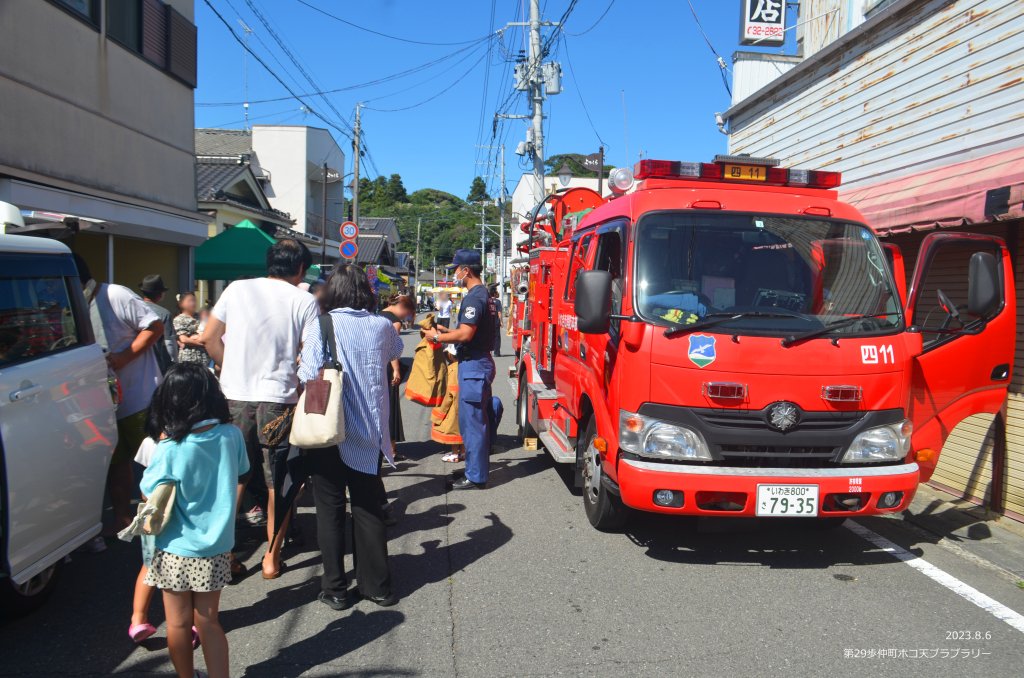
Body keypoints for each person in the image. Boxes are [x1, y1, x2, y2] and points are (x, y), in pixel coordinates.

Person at [200, 238, 318, 580]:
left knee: (234, 478)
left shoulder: (236, 289)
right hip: (278, 400)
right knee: (275, 482)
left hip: (234, 398)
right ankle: (271, 559)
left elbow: (210, 338)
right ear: (300, 269)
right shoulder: (304, 300)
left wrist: (229, 368)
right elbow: (310, 358)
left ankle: (222, 554)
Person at [298, 264, 402, 610]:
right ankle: (377, 586)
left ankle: (336, 588)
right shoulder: (381, 325)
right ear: (365, 292)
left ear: (332, 292)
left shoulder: (321, 325)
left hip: (328, 428)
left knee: (329, 510)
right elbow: (395, 351)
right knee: (368, 507)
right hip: (369, 431)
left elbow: (307, 372)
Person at [140, 364, 249, 678]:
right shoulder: (231, 435)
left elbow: (149, 493)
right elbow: (241, 471)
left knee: (177, 622)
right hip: (216, 546)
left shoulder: (170, 448)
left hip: (174, 546)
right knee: (209, 621)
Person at [74, 255, 164, 534]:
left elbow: (155, 326)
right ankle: (123, 520)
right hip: (100, 402)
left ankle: (158, 519)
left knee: (154, 463)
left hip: (139, 396)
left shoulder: (114, 294)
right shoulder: (72, 304)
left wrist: (125, 357)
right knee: (116, 463)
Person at [429, 250, 496, 490]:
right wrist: (446, 333)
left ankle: (476, 476)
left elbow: (466, 333)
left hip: (474, 364)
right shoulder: (482, 295)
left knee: (473, 425)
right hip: (478, 362)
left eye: (457, 268)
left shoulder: (474, 297)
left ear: (466, 270)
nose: (455, 272)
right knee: (473, 422)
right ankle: (473, 469)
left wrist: (437, 337)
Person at [128, 436, 199, 651]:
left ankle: (138, 620)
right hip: (179, 521)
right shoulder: (189, 442)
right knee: (187, 575)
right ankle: (187, 626)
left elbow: (144, 487)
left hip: (153, 515)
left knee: (149, 566)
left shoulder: (149, 442)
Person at [379, 294, 415, 449]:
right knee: (390, 405)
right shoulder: (394, 321)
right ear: (402, 307)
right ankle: (391, 447)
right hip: (388, 366)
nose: (405, 317)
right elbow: (390, 347)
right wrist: (396, 369)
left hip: (378, 364)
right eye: (407, 313)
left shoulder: (378, 315)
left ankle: (384, 445)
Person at [140, 274, 177, 373]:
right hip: (157, 365)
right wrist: (174, 366)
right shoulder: (164, 314)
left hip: (134, 361)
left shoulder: (134, 309)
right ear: (160, 294)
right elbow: (169, 344)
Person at [173, 292, 209, 366]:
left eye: (194, 300)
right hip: (189, 357)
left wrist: (195, 338)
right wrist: (202, 343)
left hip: (204, 356)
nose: (193, 303)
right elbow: (184, 339)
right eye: (190, 301)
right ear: (181, 304)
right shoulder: (179, 319)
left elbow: (209, 332)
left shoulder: (201, 316)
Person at [488, 284, 503, 357]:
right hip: (496, 321)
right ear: (494, 293)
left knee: (488, 336)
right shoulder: (498, 302)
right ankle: (497, 352)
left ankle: (488, 352)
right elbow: (499, 312)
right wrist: (501, 321)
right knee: (497, 337)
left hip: (488, 321)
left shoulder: (487, 301)